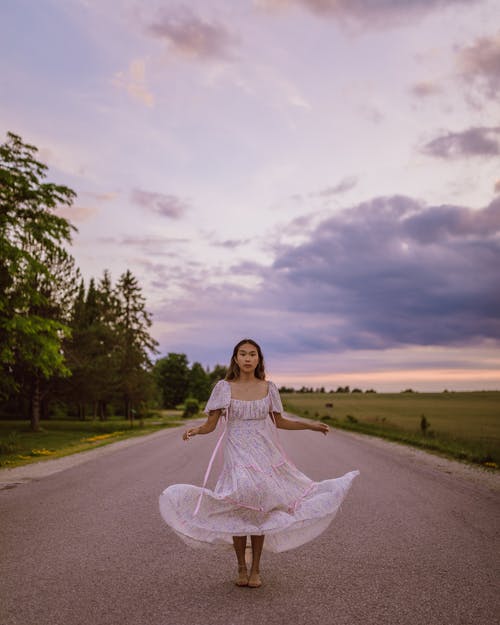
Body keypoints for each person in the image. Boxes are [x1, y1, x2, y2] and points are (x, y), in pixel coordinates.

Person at [158, 339, 360, 588]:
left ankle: (255, 569)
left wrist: (310, 425)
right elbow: (211, 425)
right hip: (237, 452)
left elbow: (280, 421)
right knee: (241, 496)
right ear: (235, 358)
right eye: (242, 354)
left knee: (259, 505)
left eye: (252, 354)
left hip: (264, 452)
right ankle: (241, 567)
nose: (247, 358)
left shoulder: (269, 387)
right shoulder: (223, 387)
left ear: (258, 359)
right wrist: (196, 430)